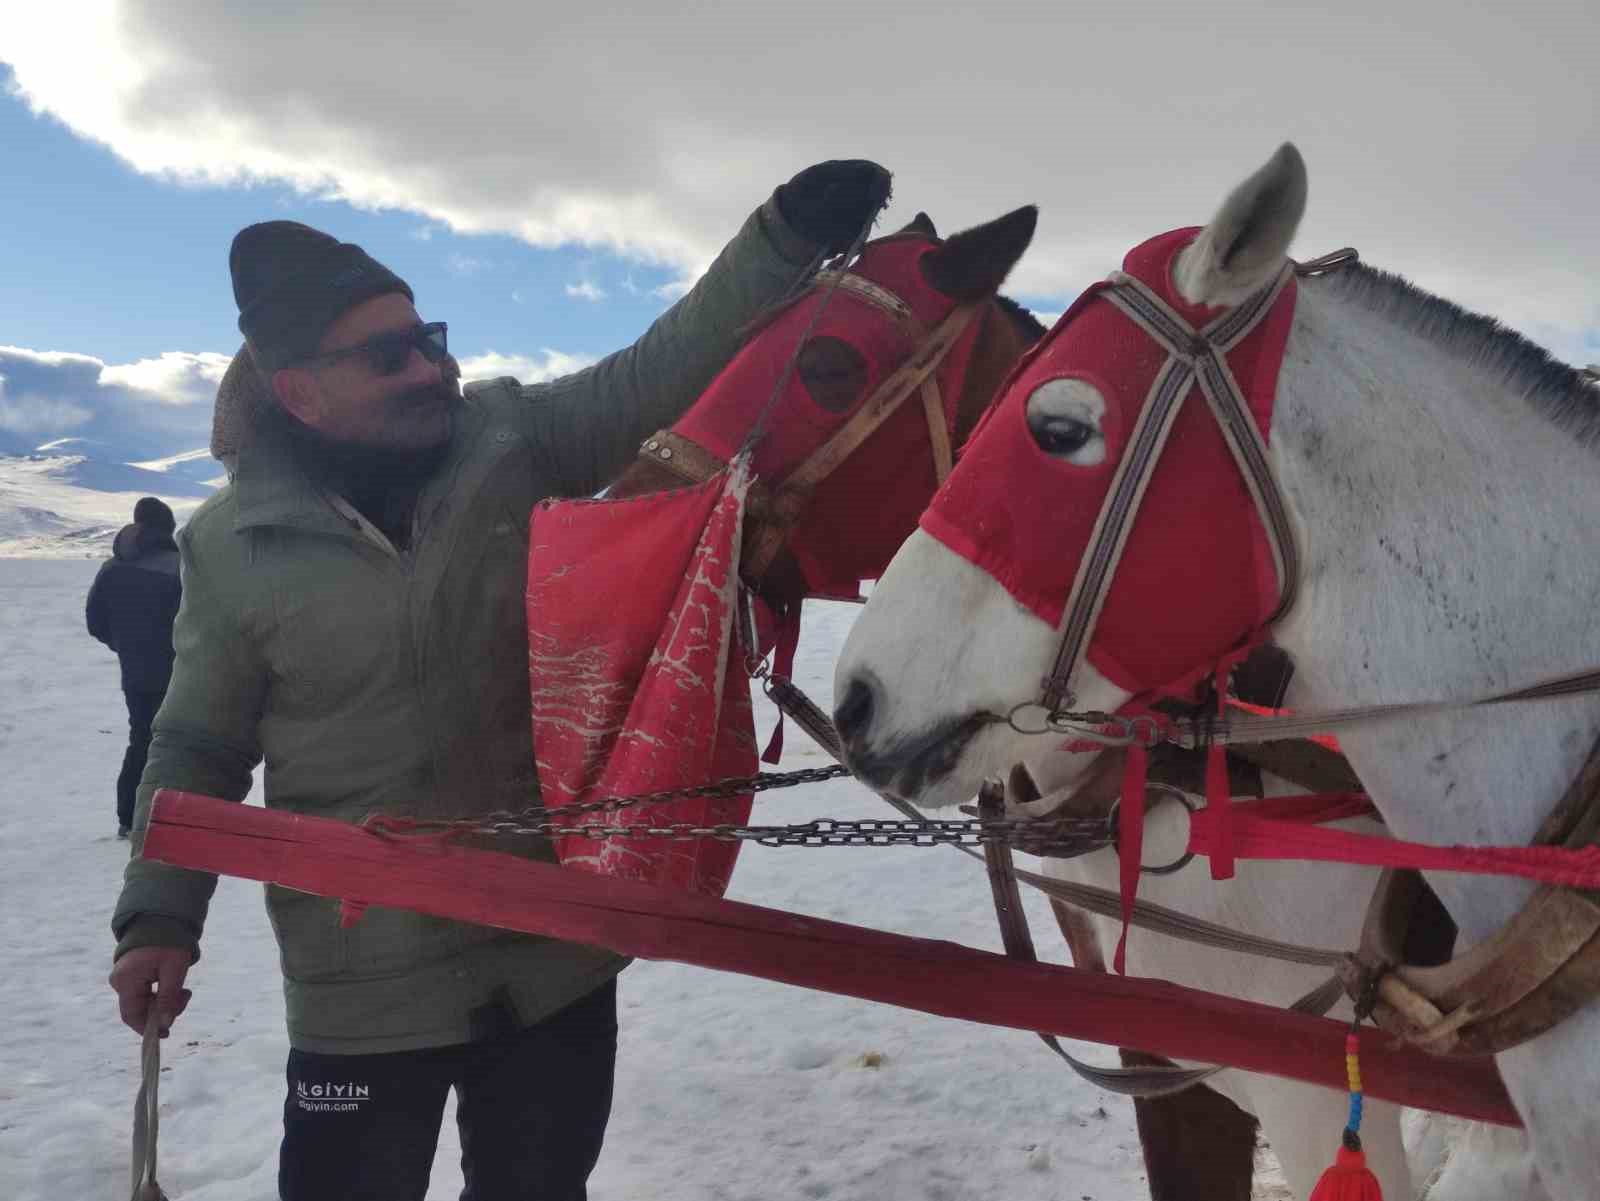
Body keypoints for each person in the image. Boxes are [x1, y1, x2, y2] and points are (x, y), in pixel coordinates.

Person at [106, 160, 892, 1201]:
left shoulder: (508, 443)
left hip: (551, 958)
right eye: (390, 354)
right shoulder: (232, 545)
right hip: (365, 981)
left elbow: (660, 366)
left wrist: (782, 240)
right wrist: (158, 917)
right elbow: (198, 738)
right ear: (297, 388)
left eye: (430, 338)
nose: (433, 368)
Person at [86, 496, 182, 838]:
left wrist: (128, 647)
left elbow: (96, 622)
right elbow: (200, 623)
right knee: (181, 746)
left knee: (141, 740)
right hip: (179, 672)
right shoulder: (179, 567)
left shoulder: (112, 567)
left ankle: (129, 819)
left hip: (135, 673)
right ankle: (171, 823)